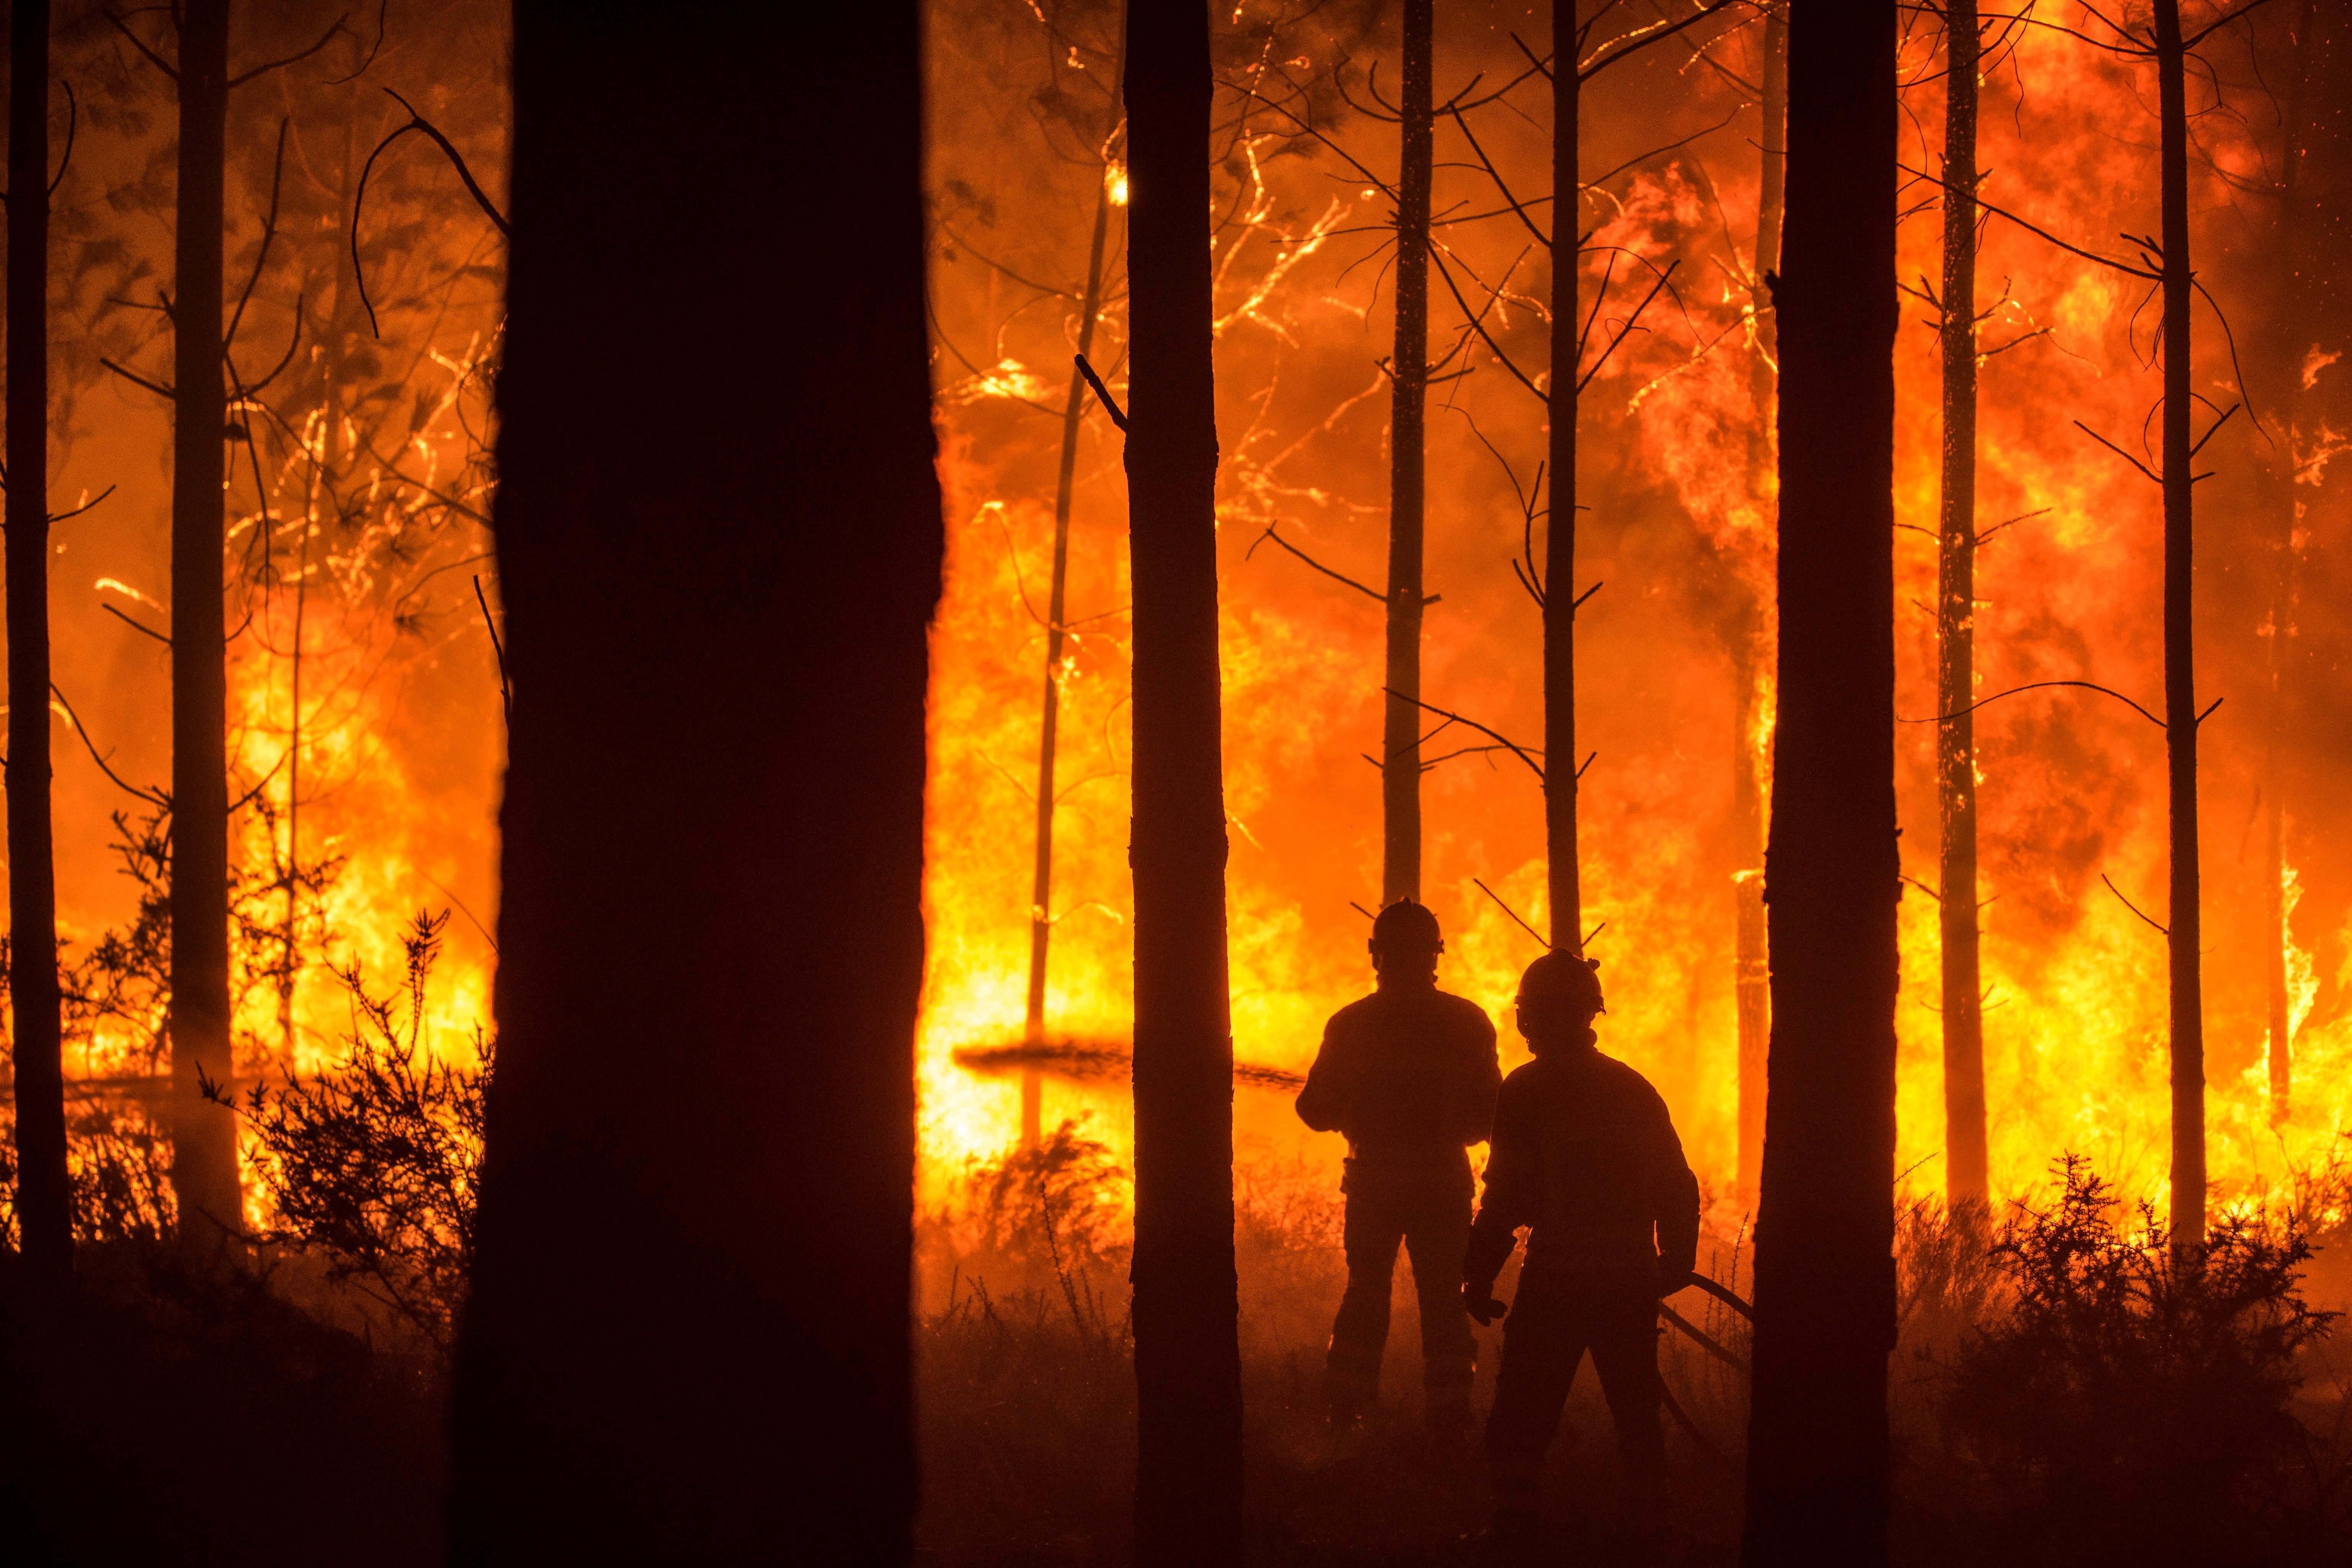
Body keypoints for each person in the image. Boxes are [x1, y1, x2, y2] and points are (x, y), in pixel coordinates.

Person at [1460, 949, 1701, 1534]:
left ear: (1529, 1018)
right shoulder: (1632, 1087)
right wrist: (1675, 1261)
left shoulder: (1526, 1090)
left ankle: (1515, 1529)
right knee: (1636, 1412)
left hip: (1560, 1276)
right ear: (1591, 1014)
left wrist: (1480, 1272)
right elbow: (1677, 1183)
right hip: (1626, 1275)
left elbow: (1507, 1194)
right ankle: (1653, 1525)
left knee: (1521, 1412)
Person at [1295, 898, 1501, 1432]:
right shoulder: (1468, 1022)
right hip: (1442, 1182)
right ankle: (1450, 1410)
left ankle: (1346, 1407)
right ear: (1437, 953)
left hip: (1375, 1183)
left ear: (1374, 953)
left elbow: (1314, 1110)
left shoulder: (1351, 1024)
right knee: (1443, 1294)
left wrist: (1351, 1112)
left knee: (1366, 1289)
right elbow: (1489, 1115)